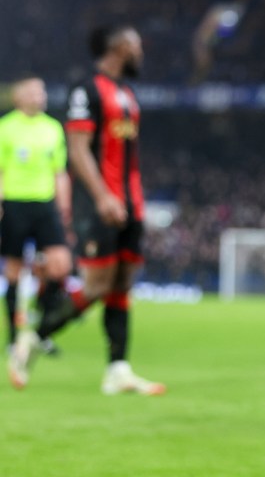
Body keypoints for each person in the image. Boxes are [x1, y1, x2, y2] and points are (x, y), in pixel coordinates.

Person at [8, 25, 165, 395]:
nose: (142, 51)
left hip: (131, 202)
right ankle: (32, 337)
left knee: (122, 284)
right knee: (96, 285)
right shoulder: (87, 89)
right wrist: (102, 197)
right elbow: (78, 148)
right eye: (137, 44)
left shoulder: (127, 91)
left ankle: (118, 369)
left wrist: (130, 198)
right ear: (120, 47)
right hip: (101, 203)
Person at [1, 76, 72, 386]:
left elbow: (60, 172)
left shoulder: (52, 128)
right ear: (19, 97)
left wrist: (64, 207)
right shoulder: (6, 127)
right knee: (14, 271)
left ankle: (39, 333)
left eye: (42, 91)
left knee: (60, 266)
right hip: (14, 203)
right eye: (32, 91)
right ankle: (14, 339)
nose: (39, 96)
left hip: (44, 205)